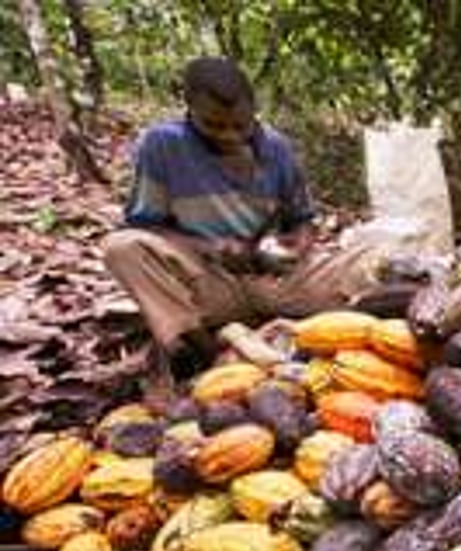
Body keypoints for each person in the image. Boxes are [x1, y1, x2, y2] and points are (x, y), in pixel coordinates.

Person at [104, 57, 386, 384]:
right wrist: (209, 247)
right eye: (213, 125)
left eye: (241, 125)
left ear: (254, 109)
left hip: (272, 280)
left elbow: (303, 221)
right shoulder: (163, 144)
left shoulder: (276, 148)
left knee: (374, 260)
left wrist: (295, 247)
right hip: (207, 283)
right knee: (121, 248)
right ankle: (201, 353)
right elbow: (144, 226)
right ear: (188, 108)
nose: (230, 136)